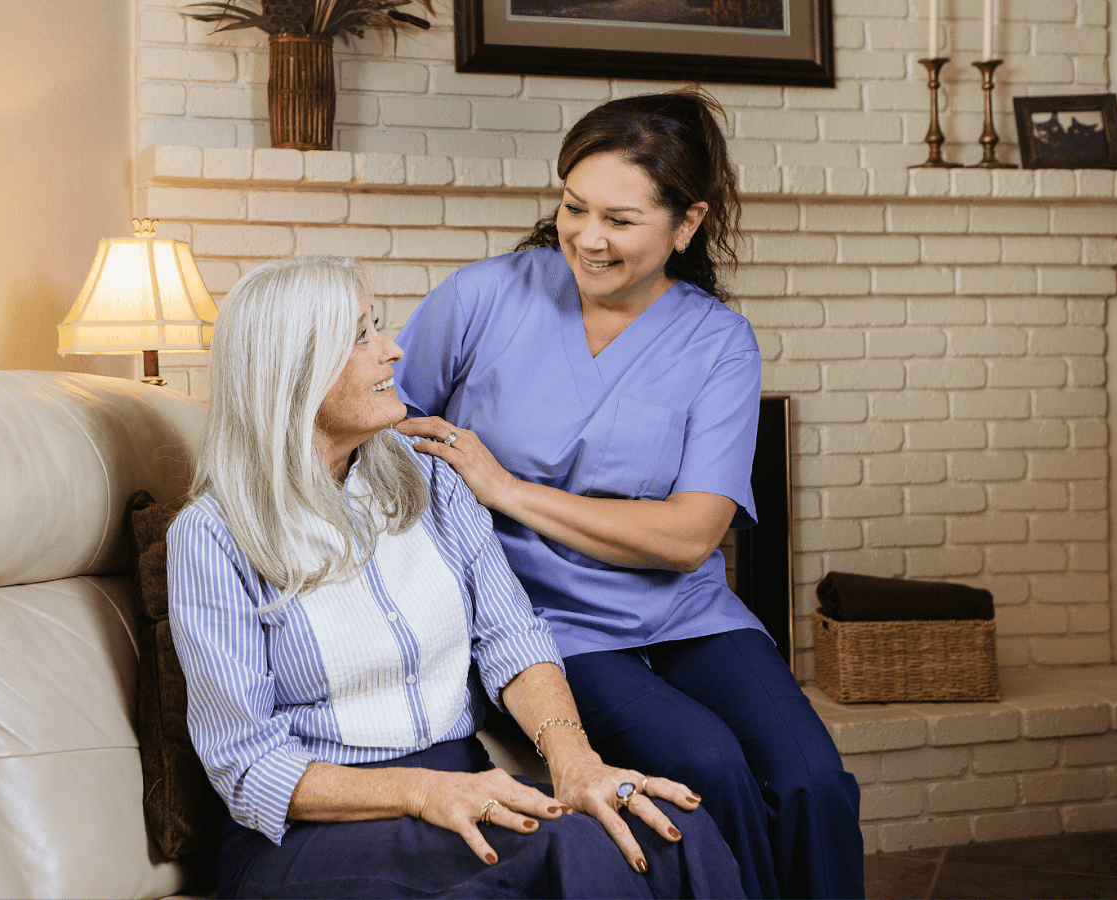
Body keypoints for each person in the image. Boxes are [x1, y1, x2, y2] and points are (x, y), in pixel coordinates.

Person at [393, 88, 865, 900]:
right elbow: (390, 428)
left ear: (687, 225)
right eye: (575, 207)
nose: (587, 236)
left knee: (814, 779)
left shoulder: (717, 340)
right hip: (544, 623)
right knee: (705, 765)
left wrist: (504, 488)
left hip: (686, 612)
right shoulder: (481, 298)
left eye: (620, 219)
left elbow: (690, 536)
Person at [165, 255, 747, 899]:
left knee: (670, 829)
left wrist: (577, 763)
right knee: (582, 851)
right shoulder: (212, 536)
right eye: (360, 337)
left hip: (463, 787)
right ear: (292, 372)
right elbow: (246, 767)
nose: (392, 350)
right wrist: (422, 791)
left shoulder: (435, 481)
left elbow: (513, 640)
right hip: (312, 832)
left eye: (378, 325)